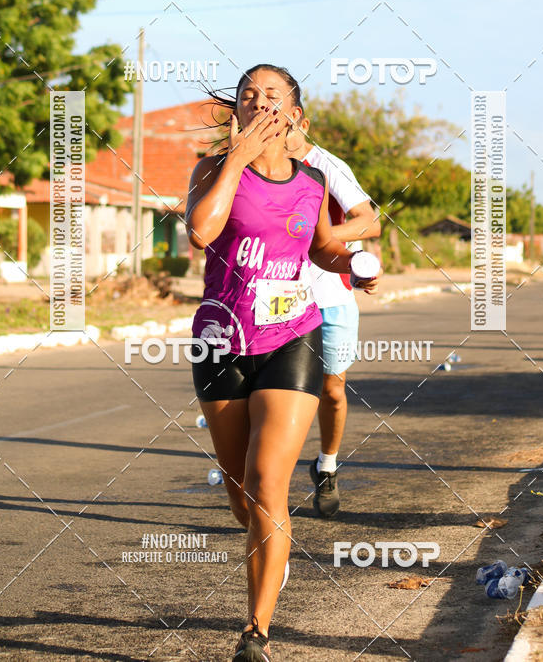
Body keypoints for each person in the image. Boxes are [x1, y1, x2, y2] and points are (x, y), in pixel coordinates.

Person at [185, 64, 380, 661]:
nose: (260, 103)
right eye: (248, 96)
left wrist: (353, 264)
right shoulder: (211, 170)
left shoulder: (313, 181)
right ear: (237, 112)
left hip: (293, 336)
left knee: (270, 482)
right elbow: (200, 231)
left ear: (295, 113)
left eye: (274, 96)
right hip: (221, 339)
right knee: (244, 495)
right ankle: (267, 551)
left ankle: (256, 632)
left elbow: (320, 247)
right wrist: (238, 160)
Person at [286, 118, 382, 517]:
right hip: (278, 299)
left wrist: (324, 239)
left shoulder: (327, 166)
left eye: (279, 110)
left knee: (333, 391)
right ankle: (262, 481)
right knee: (281, 394)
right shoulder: (253, 166)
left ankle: (326, 465)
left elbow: (370, 220)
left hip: (331, 297)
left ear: (300, 120)